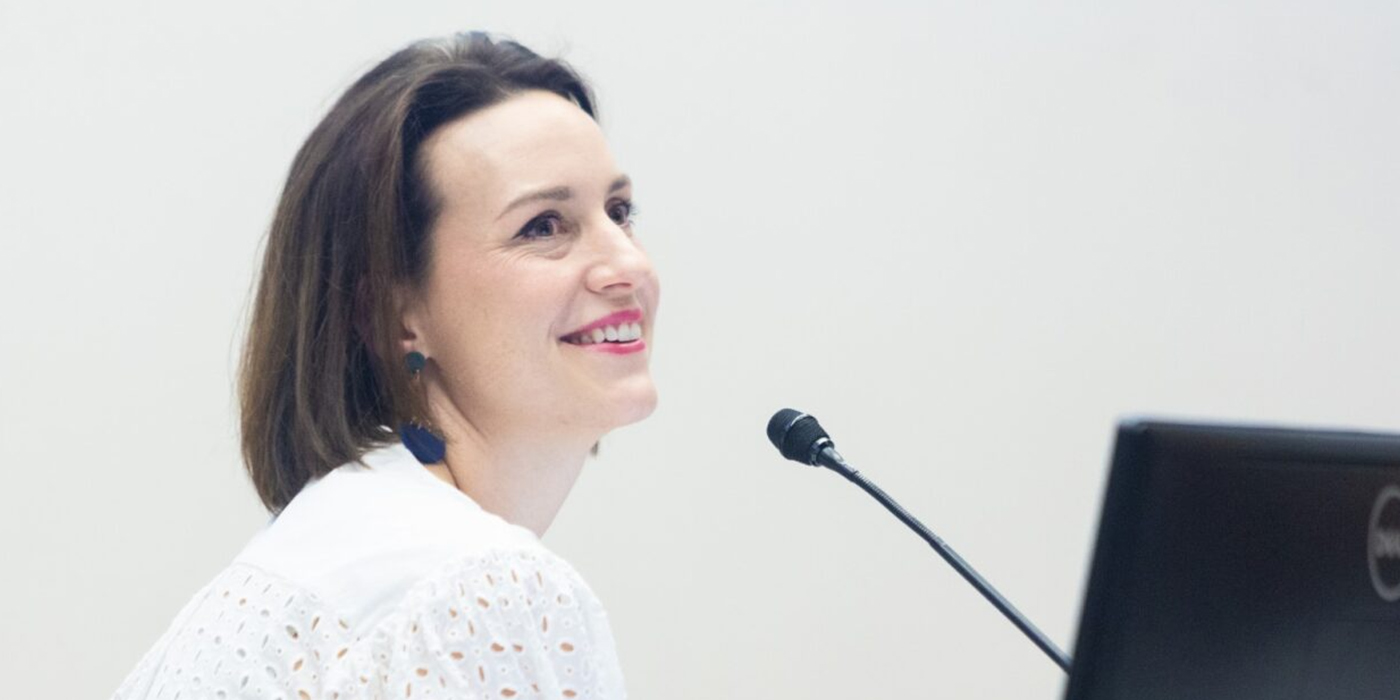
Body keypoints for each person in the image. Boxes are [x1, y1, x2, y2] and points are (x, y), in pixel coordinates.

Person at [111, 30, 657, 700]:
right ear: (396, 317)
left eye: (619, 212)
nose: (628, 266)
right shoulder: (478, 589)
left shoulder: (342, 546)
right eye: (543, 226)